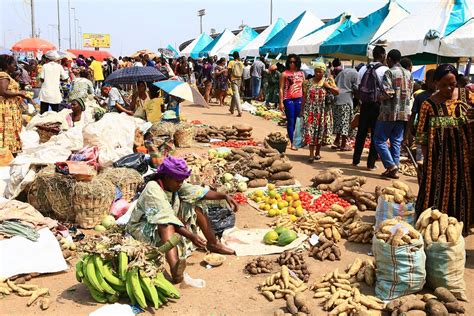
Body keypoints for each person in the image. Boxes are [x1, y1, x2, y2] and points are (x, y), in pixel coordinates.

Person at [126, 156, 238, 283]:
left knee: (195, 203)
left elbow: (198, 192)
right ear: (166, 177)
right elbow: (165, 217)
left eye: (182, 180)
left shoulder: (175, 184)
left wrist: (224, 196)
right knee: (166, 224)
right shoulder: (153, 188)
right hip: (143, 228)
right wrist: (191, 236)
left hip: (166, 218)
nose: (180, 184)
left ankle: (213, 243)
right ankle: (174, 268)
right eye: (178, 181)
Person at [415, 64, 473, 235]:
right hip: (438, 158)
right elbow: (422, 135)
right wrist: (426, 159)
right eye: (443, 85)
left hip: (464, 155)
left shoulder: (467, 96)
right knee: (436, 190)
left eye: (452, 84)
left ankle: (462, 225)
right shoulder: (429, 104)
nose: (448, 88)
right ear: (435, 83)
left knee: (463, 189)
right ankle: (435, 226)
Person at [373, 50, 413, 179]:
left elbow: (388, 93)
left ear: (389, 59)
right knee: (396, 141)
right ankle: (394, 168)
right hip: (404, 113)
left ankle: (390, 165)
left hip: (389, 112)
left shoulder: (389, 72)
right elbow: (410, 93)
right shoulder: (408, 74)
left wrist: (379, 96)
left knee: (379, 140)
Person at [352, 45, 388, 170]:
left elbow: (357, 87)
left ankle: (355, 160)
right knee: (375, 134)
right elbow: (386, 89)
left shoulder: (363, 68)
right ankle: (370, 164)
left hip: (365, 104)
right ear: (382, 55)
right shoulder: (384, 70)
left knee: (361, 132)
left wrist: (361, 100)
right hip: (377, 105)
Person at [301, 62, 339, 162]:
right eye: (316, 71)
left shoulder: (328, 81)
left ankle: (318, 152)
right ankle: (311, 154)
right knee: (311, 131)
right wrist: (301, 110)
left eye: (320, 72)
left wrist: (329, 87)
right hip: (310, 111)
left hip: (323, 112)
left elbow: (338, 92)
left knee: (320, 133)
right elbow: (304, 97)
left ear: (324, 72)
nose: (318, 74)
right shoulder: (307, 82)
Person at [404, 69, 436, 161]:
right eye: (431, 81)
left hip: (436, 131)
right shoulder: (420, 97)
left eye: (435, 81)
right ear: (426, 82)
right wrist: (407, 135)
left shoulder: (441, 97)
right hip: (421, 131)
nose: (434, 84)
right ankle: (421, 174)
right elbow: (413, 115)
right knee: (420, 156)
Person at [0, 55, 29, 154]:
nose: (15, 67)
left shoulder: (6, 76)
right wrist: (19, 93)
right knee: (6, 127)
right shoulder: (3, 75)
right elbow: (3, 92)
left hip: (11, 106)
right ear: (7, 65)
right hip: (6, 107)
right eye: (13, 65)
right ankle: (6, 151)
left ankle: (8, 150)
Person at [279, 54, 305, 150]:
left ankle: (296, 139)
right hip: (288, 99)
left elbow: (304, 87)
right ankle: (292, 142)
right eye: (290, 62)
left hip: (299, 99)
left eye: (294, 62)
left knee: (298, 121)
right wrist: (281, 102)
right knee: (291, 120)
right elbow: (281, 89)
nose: (292, 64)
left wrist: (305, 100)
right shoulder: (284, 74)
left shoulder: (302, 74)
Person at [333, 67, 358, 151]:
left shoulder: (342, 72)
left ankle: (336, 140)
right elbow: (356, 88)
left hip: (336, 99)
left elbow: (334, 83)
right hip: (346, 100)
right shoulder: (355, 74)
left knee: (338, 121)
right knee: (345, 123)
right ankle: (343, 144)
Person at [228, 51, 244, 117]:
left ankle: (240, 111)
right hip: (239, 79)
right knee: (235, 94)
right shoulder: (241, 63)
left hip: (233, 79)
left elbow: (229, 72)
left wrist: (229, 79)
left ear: (233, 56)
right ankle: (232, 109)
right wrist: (243, 82)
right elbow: (242, 73)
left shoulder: (231, 62)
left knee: (236, 94)